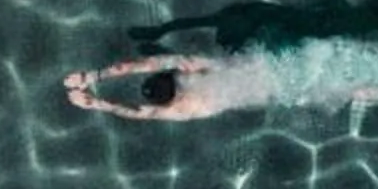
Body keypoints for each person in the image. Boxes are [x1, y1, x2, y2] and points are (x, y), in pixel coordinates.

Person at [63, 51, 276, 122]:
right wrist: (93, 76)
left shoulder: (190, 107)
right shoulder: (192, 68)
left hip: (270, 94)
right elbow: (142, 65)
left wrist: (96, 103)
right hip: (265, 65)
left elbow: (141, 112)